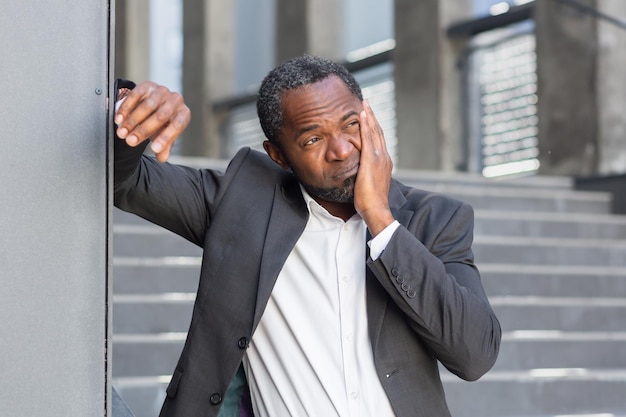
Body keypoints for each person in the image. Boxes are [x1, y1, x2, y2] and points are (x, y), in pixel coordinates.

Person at [113, 55, 501, 417]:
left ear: (370, 119)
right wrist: (127, 108)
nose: (342, 150)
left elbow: (474, 355)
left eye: (351, 125)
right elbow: (122, 179)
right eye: (313, 139)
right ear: (278, 155)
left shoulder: (437, 219)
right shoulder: (240, 204)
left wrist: (381, 220)